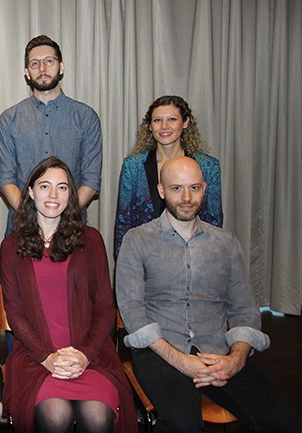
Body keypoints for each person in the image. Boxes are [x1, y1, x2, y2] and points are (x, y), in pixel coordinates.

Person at [116, 156, 299, 433]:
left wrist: (235, 360)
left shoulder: (226, 243)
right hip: (162, 353)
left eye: (194, 188)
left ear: (205, 188)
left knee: (282, 423)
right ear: (162, 191)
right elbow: (132, 312)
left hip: (218, 353)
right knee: (182, 425)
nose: (187, 197)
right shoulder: (138, 240)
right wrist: (182, 361)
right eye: (176, 188)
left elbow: (244, 311)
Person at [0, 157, 135, 433]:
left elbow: (105, 308)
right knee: (55, 415)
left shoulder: (91, 240)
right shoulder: (11, 247)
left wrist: (84, 355)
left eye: (62, 188)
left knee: (97, 416)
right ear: (30, 192)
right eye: (45, 186)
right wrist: (47, 357)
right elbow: (14, 313)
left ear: (70, 195)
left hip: (90, 357)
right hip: (35, 358)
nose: (53, 195)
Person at [0, 34, 102, 233]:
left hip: (71, 228)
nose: (42, 69)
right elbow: (6, 180)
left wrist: (63, 216)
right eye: (35, 64)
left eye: (49, 62)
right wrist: (32, 218)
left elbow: (91, 180)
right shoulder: (9, 119)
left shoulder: (86, 117)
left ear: (61, 67)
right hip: (22, 229)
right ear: (27, 72)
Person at [114, 95, 222, 257]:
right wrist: (126, 262)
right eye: (157, 121)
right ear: (150, 126)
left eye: (172, 119)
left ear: (185, 122)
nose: (164, 126)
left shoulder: (207, 167)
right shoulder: (133, 166)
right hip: (146, 258)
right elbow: (124, 223)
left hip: (194, 258)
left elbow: (213, 221)